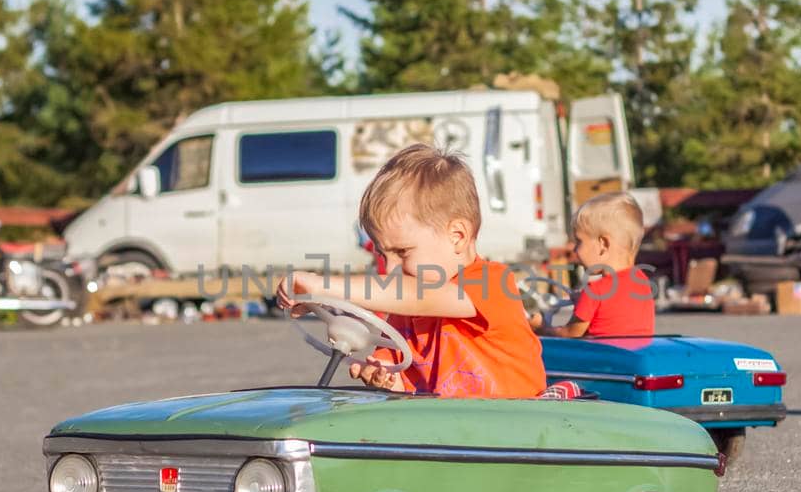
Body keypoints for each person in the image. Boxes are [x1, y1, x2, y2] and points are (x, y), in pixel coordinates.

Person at [275, 143, 545, 398]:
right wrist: (386, 377)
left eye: (403, 252)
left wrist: (322, 286)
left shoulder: (491, 283)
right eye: (382, 253)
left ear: (457, 236)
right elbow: (403, 371)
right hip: (451, 430)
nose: (391, 268)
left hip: (516, 429)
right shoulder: (404, 314)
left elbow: (423, 295)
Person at [541, 191, 655, 341]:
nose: (575, 250)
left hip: (602, 361)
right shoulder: (643, 282)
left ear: (603, 244)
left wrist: (540, 327)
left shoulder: (595, 291)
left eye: (579, 242)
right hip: (635, 360)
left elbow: (569, 334)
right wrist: (581, 302)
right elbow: (612, 313)